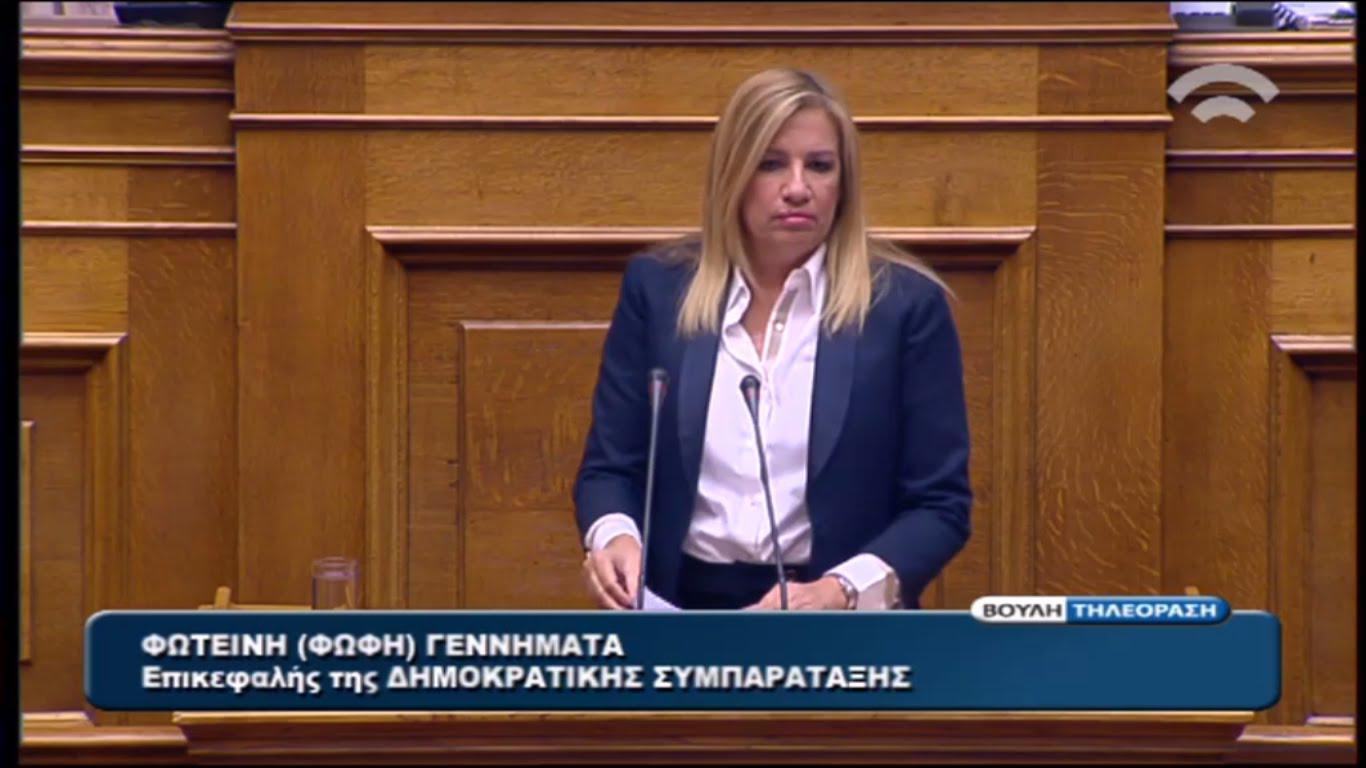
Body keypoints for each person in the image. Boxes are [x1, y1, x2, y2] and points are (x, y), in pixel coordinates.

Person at [574, 68, 971, 611]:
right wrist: (614, 535)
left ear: (844, 182)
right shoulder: (660, 290)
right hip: (680, 611)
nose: (798, 188)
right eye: (771, 163)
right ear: (733, 174)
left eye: (820, 166)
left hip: (832, 618)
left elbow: (940, 505)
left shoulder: (902, 306)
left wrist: (840, 591)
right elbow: (611, 467)